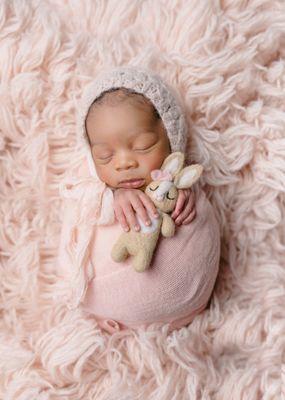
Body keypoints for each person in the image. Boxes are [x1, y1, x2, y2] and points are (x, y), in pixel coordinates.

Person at [57, 66, 221, 334]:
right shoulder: (88, 189)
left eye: (143, 146)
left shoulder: (179, 182)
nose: (124, 163)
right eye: (105, 156)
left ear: (171, 138)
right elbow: (77, 226)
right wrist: (111, 198)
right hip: (102, 318)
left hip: (185, 321)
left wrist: (184, 197)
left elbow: (200, 228)